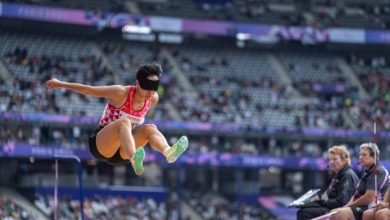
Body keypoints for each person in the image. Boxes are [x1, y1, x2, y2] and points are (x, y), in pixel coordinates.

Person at [46, 62, 189, 175]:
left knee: (150, 128)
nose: (150, 92)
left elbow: (150, 102)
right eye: (147, 87)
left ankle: (168, 152)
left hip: (122, 151)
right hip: (101, 144)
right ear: (138, 83)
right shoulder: (120, 93)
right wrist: (61, 84)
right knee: (124, 122)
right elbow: (90, 90)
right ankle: (135, 158)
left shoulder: (153, 99)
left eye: (154, 87)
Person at [297, 145, 359, 220]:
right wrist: (314, 200)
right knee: (304, 208)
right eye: (330, 159)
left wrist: (322, 201)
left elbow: (341, 202)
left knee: (304, 213)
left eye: (335, 159)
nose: (331, 162)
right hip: (331, 207)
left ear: (344, 160)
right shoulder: (338, 175)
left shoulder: (347, 175)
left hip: (339, 210)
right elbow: (327, 195)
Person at [331, 143, 390, 220]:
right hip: (364, 206)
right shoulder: (367, 172)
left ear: (373, 157)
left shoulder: (378, 171)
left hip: (371, 205)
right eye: (360, 155)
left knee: (339, 213)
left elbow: (369, 197)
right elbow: (356, 194)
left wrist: (350, 206)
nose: (360, 157)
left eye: (364, 155)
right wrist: (346, 206)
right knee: (335, 212)